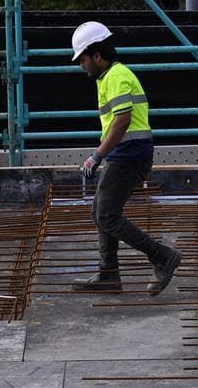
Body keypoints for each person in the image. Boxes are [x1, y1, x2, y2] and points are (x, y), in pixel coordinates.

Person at [69, 21, 182, 295]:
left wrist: (97, 156)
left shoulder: (117, 76)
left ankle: (163, 256)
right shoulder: (107, 78)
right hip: (125, 154)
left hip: (130, 155)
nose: (81, 64)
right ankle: (108, 275)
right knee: (101, 212)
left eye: (83, 59)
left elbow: (122, 120)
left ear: (97, 55)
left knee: (107, 215)